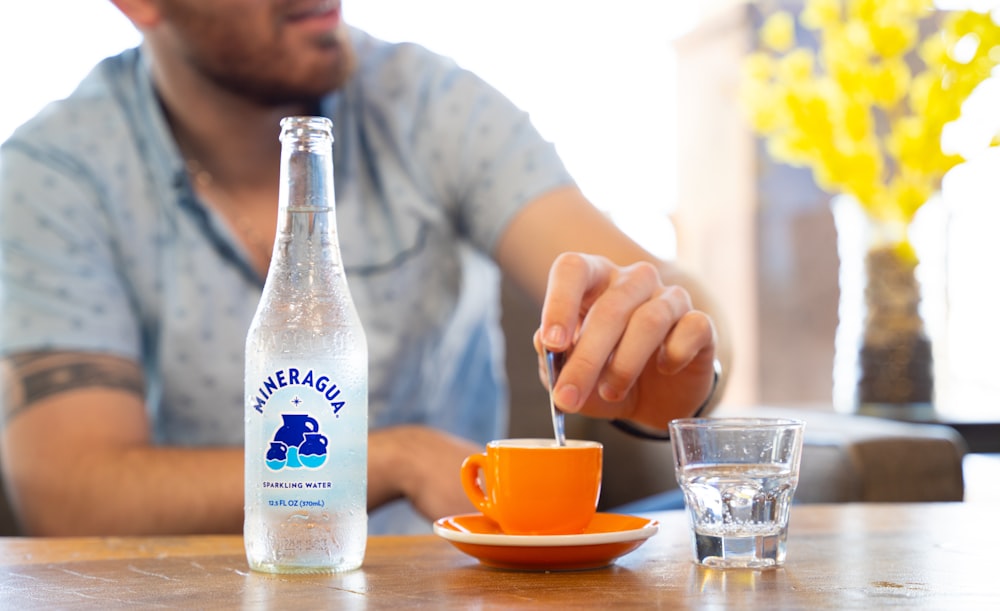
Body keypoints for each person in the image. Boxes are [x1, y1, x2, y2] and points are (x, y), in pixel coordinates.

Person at [0, 0, 729, 536]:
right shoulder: (55, 173)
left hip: (448, 585)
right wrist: (389, 457)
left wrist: (670, 358)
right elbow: (70, 491)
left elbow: (661, 292)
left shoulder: (428, 102)